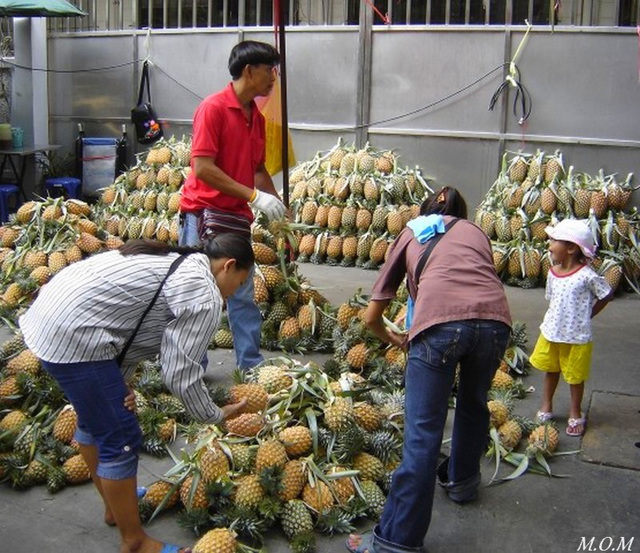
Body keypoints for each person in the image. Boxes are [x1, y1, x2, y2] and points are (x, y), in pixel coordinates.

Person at [18, 236, 253, 553]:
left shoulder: (181, 260)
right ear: (228, 266)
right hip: (74, 332)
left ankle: (114, 508)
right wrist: (214, 415)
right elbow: (179, 375)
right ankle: (135, 541)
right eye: (238, 283)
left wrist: (120, 381)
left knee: (96, 420)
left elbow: (129, 325)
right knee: (121, 435)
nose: (234, 293)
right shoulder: (204, 294)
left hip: (53, 314)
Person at [346, 187, 512, 553]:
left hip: (438, 328)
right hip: (496, 324)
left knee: (422, 433)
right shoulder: (476, 232)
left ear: (425, 209)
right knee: (473, 403)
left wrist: (395, 338)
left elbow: (372, 315)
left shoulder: (412, 229)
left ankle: (396, 541)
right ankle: (463, 483)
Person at [179, 40, 286, 372]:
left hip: (236, 216)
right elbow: (203, 168)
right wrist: (254, 196)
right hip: (202, 214)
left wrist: (278, 206)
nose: (274, 78)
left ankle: (250, 366)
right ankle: (191, 367)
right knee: (198, 295)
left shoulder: (256, 115)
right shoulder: (212, 109)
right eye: (270, 70)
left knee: (242, 293)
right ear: (249, 71)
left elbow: (257, 169)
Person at [530, 218, 613, 437]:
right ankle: (546, 405)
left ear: (570, 248)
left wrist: (590, 313)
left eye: (554, 240)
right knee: (551, 370)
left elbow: (606, 294)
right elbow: (552, 299)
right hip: (552, 332)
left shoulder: (586, 276)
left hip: (576, 336)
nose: (549, 245)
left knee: (575, 377)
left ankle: (575, 412)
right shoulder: (552, 273)